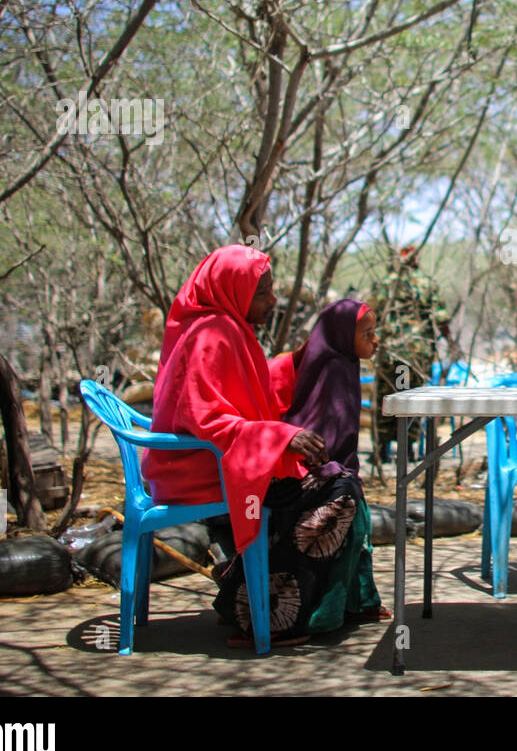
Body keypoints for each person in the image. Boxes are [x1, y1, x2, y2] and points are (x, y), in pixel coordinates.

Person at [143, 246, 366, 648]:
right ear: (233, 289)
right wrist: (281, 436)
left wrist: (304, 358)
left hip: (218, 463)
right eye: (263, 292)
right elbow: (206, 419)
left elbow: (251, 387)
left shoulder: (225, 328)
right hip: (202, 473)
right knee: (341, 490)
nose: (272, 301)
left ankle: (245, 590)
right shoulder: (211, 335)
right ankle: (270, 611)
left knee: (334, 481)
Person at [273, 298, 388, 626]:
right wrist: (335, 469)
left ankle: (358, 602)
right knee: (346, 500)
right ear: (341, 335)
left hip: (333, 468)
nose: (375, 340)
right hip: (302, 474)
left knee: (357, 507)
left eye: (374, 332)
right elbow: (322, 434)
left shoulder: (344, 362)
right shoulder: (333, 369)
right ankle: (317, 613)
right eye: (367, 334)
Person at [369, 245, 451, 462]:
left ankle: (382, 449)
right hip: (417, 353)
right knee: (410, 398)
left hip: (391, 352)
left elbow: (371, 313)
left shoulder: (386, 284)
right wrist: (449, 340)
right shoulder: (427, 284)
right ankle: (407, 448)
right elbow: (441, 317)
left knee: (388, 398)